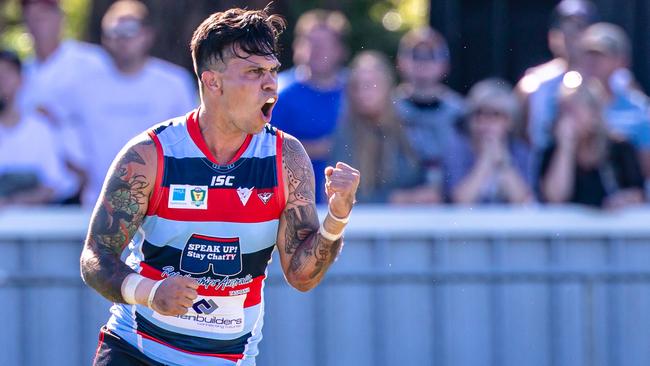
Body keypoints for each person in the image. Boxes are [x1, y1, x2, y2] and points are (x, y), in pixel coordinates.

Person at [80, 7, 360, 366]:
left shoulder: (285, 158)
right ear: (213, 83)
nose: (271, 83)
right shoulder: (151, 155)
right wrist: (149, 293)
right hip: (135, 351)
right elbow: (95, 257)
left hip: (227, 360)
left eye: (273, 70)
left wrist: (336, 218)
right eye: (254, 72)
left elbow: (302, 276)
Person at [57, 0, 197, 206]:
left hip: (160, 203)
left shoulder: (175, 82)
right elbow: (62, 131)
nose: (122, 39)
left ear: (147, 34)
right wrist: (80, 171)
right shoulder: (81, 87)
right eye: (114, 31)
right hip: (97, 204)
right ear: (104, 38)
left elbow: (192, 138)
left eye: (130, 30)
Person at [18, 0, 107, 203]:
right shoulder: (22, 73)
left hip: (91, 185)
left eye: (43, 17)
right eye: (30, 18)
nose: (37, 25)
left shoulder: (91, 62)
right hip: (39, 188)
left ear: (60, 18)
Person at [271, 9, 350, 203]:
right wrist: (314, 148)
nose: (316, 51)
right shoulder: (275, 93)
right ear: (297, 46)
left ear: (340, 50)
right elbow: (264, 148)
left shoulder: (355, 92)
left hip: (349, 204)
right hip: (290, 202)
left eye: (324, 45)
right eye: (311, 43)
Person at [331, 51, 421, 203]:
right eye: (357, 86)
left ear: (387, 85)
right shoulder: (345, 134)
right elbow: (338, 196)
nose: (363, 93)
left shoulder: (408, 125)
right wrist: (394, 199)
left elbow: (428, 180)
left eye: (370, 85)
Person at [539, 78, 644, 209]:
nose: (566, 119)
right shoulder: (551, 151)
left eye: (572, 112)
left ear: (594, 114)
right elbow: (555, 198)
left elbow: (639, 193)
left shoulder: (619, 148)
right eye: (562, 111)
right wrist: (566, 147)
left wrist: (622, 200)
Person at [392, 26, 465, 204]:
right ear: (400, 61)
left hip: (450, 206)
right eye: (415, 55)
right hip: (401, 205)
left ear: (445, 64)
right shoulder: (388, 110)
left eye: (432, 55)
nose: (423, 62)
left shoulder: (461, 111)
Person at [577, 22, 650, 178]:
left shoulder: (640, 110)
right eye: (588, 54)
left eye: (601, 55)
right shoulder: (566, 103)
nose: (592, 61)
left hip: (628, 198)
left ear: (621, 61)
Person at [0, 49, 72, 206]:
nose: (1, 81)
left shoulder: (41, 128)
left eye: (7, 74)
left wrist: (12, 202)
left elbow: (55, 184)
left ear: (21, 80)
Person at [445, 79, 533, 204]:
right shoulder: (458, 148)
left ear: (510, 121)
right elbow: (461, 200)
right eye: (478, 113)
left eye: (495, 115)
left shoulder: (520, 150)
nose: (485, 121)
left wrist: (503, 162)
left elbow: (522, 200)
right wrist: (485, 160)